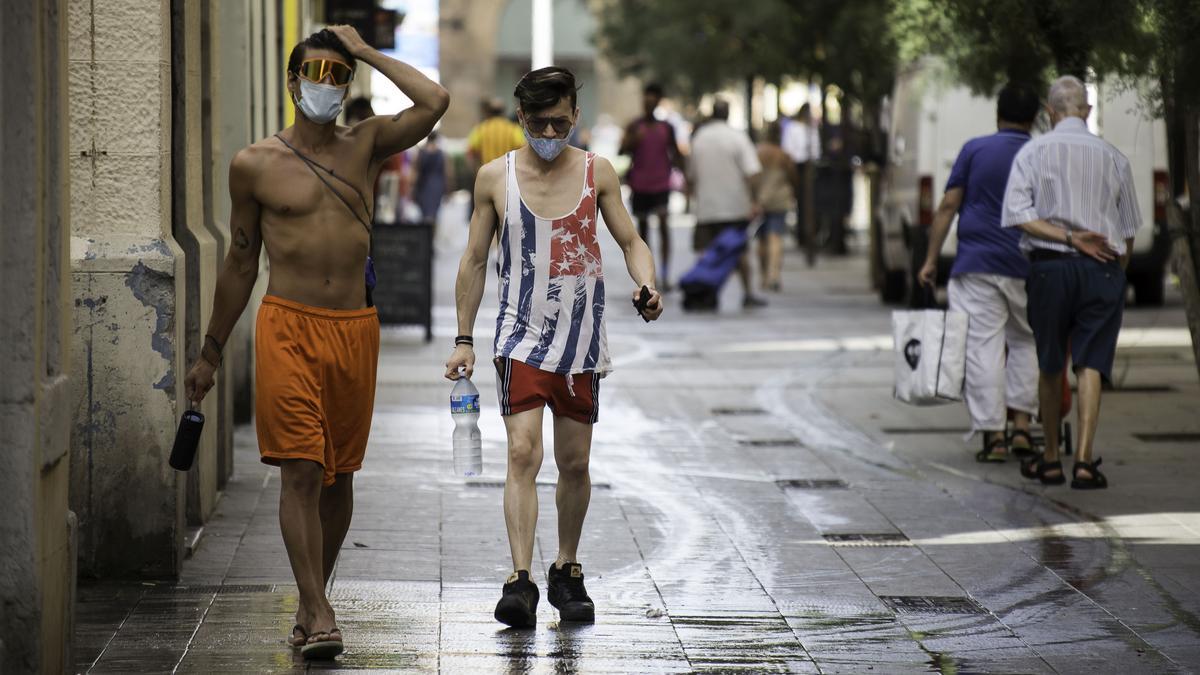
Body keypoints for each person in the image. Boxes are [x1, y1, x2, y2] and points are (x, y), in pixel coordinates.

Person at [182, 26, 448, 658]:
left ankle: (310, 601)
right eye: (315, 73)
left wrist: (365, 52)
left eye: (337, 75)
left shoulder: (367, 144)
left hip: (354, 331)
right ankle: (323, 612)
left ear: (347, 82)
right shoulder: (254, 165)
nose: (325, 86)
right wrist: (210, 352)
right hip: (288, 327)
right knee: (300, 468)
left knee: (339, 478)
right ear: (293, 80)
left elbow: (434, 101)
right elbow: (241, 264)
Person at [444, 66, 663, 629]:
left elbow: (632, 240)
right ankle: (521, 579)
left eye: (559, 121)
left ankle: (567, 569)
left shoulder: (598, 173)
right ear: (520, 118)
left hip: (581, 342)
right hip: (518, 336)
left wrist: (646, 283)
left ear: (575, 117)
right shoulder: (496, 177)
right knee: (522, 454)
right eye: (538, 122)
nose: (548, 131)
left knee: (575, 461)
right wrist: (464, 337)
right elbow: (472, 261)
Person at [1001, 75, 1140, 489]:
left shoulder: (1032, 152)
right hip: (1103, 270)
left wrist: (1065, 236)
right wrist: (1116, 275)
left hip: (1050, 269)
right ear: (1087, 111)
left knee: (1049, 363)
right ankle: (1083, 461)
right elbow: (1129, 228)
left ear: (1049, 112)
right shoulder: (1113, 157)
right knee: (1091, 363)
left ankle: (1048, 460)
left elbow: (1016, 213)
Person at [918, 83, 1041, 462]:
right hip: (1029, 264)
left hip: (976, 265)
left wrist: (930, 259)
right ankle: (1022, 427)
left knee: (982, 347)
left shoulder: (974, 149)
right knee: (1027, 342)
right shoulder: (1040, 152)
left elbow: (948, 205)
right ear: (1034, 118)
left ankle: (993, 436)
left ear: (998, 114)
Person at [688, 99, 766, 308]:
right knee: (739, 252)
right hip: (735, 207)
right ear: (728, 113)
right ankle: (748, 293)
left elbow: (691, 174)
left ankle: (706, 291)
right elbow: (753, 172)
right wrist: (755, 199)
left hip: (707, 206)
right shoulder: (738, 137)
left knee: (706, 252)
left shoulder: (699, 138)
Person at [620, 83, 685, 289]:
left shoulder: (667, 128)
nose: (649, 101)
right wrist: (633, 141)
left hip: (661, 185)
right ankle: (647, 277)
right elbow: (622, 150)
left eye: (653, 98)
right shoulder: (634, 126)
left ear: (658, 101)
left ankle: (665, 274)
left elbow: (676, 155)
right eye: (646, 97)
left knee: (665, 227)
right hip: (640, 185)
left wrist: (687, 179)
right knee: (642, 234)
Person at [755, 121, 799, 292]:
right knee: (775, 237)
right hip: (780, 199)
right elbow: (793, 176)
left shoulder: (757, 152)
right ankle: (774, 275)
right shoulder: (783, 155)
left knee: (761, 239)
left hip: (760, 199)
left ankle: (763, 276)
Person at [781, 103, 820, 255]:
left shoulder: (812, 129)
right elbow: (789, 149)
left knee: (810, 202)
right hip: (798, 165)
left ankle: (810, 232)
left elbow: (816, 149)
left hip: (810, 166)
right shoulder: (793, 128)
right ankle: (802, 234)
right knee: (801, 202)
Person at [413, 131, 447, 227]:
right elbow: (447, 172)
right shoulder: (441, 153)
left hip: (423, 184)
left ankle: (425, 236)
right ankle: (431, 237)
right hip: (437, 185)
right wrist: (449, 188)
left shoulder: (421, 152)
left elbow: (416, 169)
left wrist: (412, 187)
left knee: (424, 214)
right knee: (433, 214)